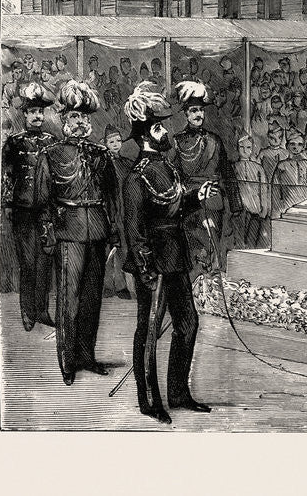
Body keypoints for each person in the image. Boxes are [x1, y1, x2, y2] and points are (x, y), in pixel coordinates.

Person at [122, 82, 210, 424]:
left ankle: (178, 393)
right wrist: (145, 267)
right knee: (148, 331)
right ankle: (149, 401)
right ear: (145, 135)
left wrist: (193, 197)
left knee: (187, 324)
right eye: (159, 127)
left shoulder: (166, 166)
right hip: (153, 263)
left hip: (175, 257)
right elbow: (135, 229)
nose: (166, 132)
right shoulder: (137, 177)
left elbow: (171, 205)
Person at [36, 81, 119, 385]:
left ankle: (86, 356)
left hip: (97, 230)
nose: (81, 122)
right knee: (68, 299)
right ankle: (67, 361)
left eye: (85, 117)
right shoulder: (51, 154)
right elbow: (42, 201)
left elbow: (112, 198)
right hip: (67, 231)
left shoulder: (100, 155)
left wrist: (113, 232)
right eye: (74, 117)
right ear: (64, 120)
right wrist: (48, 233)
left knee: (92, 299)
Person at [1, 82, 57, 330]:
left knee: (45, 261)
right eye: (32, 111)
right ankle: (27, 311)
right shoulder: (14, 144)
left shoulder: (52, 142)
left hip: (46, 211)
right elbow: (6, 177)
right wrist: (7, 205)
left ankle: (42, 311)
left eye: (40, 112)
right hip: (22, 210)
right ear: (24, 114)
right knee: (27, 262)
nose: (37, 116)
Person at [172, 81, 243, 276]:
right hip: (189, 205)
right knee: (193, 252)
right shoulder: (177, 142)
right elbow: (173, 175)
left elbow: (228, 173)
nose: (198, 115)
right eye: (193, 111)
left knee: (212, 250)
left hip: (213, 202)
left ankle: (208, 292)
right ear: (186, 114)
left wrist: (236, 204)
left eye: (201, 111)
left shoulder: (215, 140)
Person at [102, 125, 137, 299]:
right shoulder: (102, 164)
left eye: (118, 141)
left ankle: (122, 285)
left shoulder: (127, 164)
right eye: (111, 141)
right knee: (107, 249)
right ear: (105, 143)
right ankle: (107, 285)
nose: (115, 144)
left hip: (125, 210)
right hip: (109, 209)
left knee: (123, 247)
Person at [232, 134, 271, 249]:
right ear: (237, 148)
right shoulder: (234, 167)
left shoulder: (258, 168)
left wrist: (264, 207)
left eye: (248, 147)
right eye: (241, 147)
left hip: (255, 210)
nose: (245, 150)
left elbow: (263, 189)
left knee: (252, 240)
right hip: (239, 210)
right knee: (239, 240)